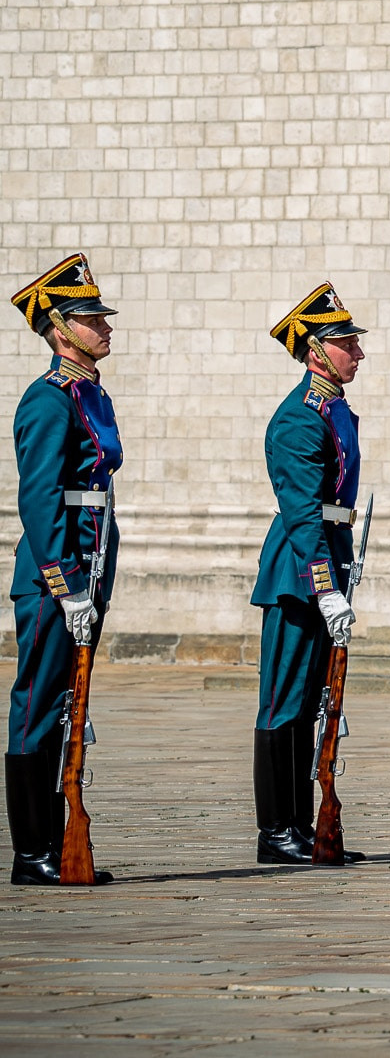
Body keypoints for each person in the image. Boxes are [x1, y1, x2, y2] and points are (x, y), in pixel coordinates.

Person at [9, 256, 124, 886]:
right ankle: (33, 852)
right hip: (60, 567)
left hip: (91, 559)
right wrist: (66, 581)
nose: (105, 328)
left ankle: (58, 838)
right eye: (90, 320)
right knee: (40, 700)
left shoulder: (90, 393)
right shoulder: (48, 400)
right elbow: (40, 499)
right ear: (59, 330)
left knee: (68, 703)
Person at [251, 283, 369, 866]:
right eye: (347, 344)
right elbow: (302, 512)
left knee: (315, 702)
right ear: (316, 351)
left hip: (329, 557)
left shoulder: (335, 411)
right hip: (300, 569)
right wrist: (325, 586)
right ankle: (277, 832)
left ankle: (304, 825)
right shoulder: (299, 418)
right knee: (284, 702)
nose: (358, 353)